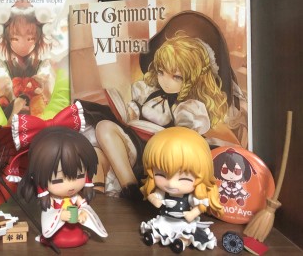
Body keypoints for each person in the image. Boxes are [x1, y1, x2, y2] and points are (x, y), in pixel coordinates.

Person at [83, 12, 245, 197]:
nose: (165, 81)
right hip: (135, 142)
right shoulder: (148, 90)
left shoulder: (189, 108)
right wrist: (131, 113)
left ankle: (134, 190)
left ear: (193, 79)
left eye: (176, 77)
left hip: (162, 154)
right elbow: (135, 108)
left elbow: (184, 140)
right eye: (161, 72)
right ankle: (130, 186)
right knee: (103, 128)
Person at [0, 0, 69, 150]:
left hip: (39, 133)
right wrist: (13, 106)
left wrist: (35, 100)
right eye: (15, 38)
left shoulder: (45, 67)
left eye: (30, 38)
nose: (23, 44)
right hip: (7, 132)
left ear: (38, 38)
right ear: (6, 39)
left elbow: (50, 103)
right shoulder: (0, 69)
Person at [19, 126, 107, 248]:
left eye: (79, 175)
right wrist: (60, 216)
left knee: (77, 237)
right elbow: (49, 214)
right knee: (60, 240)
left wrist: (82, 214)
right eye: (58, 180)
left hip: (74, 227)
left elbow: (84, 207)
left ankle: (81, 235)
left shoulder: (76, 197)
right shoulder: (52, 200)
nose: (70, 185)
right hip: (59, 230)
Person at [140, 127, 223, 253]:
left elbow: (201, 206)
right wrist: (154, 200)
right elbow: (153, 196)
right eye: (161, 175)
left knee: (185, 234)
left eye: (184, 178)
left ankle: (181, 242)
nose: (171, 184)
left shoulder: (190, 197)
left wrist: (192, 214)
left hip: (183, 222)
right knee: (159, 230)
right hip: (165, 220)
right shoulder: (162, 192)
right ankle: (154, 237)